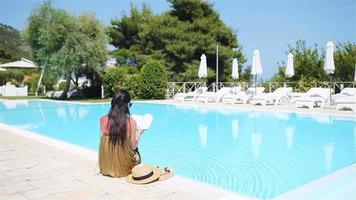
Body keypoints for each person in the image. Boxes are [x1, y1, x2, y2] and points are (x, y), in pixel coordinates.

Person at [99, 90, 143, 177]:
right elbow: (132, 147)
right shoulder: (131, 122)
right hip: (124, 168)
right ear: (126, 105)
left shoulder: (102, 119)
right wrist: (140, 133)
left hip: (106, 166)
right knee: (137, 154)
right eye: (130, 104)